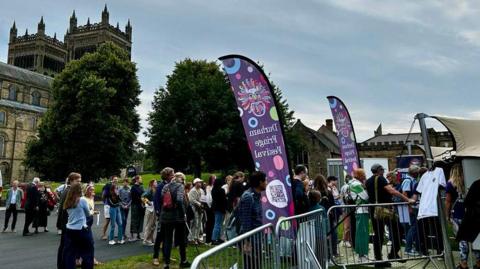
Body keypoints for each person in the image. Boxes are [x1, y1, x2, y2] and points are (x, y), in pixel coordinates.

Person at [366, 164, 413, 267]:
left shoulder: (368, 180)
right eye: (382, 169)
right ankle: (392, 254)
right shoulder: (381, 178)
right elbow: (391, 191)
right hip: (383, 210)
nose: (383, 171)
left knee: (378, 234)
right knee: (398, 229)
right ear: (379, 170)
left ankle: (378, 260)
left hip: (374, 210)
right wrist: (407, 199)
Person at [446, 164, 480, 269]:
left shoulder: (451, 183)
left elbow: (448, 201)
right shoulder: (470, 180)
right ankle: (479, 261)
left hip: (457, 214)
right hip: (471, 214)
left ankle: (463, 263)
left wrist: (447, 215)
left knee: (462, 240)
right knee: (475, 239)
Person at [160, 169, 191, 268]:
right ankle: (183, 261)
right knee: (182, 239)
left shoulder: (165, 186)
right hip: (177, 217)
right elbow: (180, 200)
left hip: (166, 216)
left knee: (167, 240)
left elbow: (163, 199)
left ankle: (166, 263)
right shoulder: (180, 186)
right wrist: (183, 214)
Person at [238, 171, 267, 269]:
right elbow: (245, 221)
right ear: (260, 182)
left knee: (257, 264)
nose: (266, 182)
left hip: (257, 237)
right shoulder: (248, 197)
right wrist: (247, 242)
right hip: (251, 239)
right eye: (265, 180)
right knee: (251, 265)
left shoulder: (257, 196)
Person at [62, 181, 94, 269]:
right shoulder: (82, 200)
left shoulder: (68, 201)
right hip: (81, 229)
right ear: (80, 190)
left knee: (70, 254)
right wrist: (92, 212)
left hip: (70, 229)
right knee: (88, 252)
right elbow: (88, 214)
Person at [57, 172, 82, 269]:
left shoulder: (67, 190)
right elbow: (64, 210)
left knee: (64, 247)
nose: (79, 183)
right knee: (67, 248)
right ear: (71, 181)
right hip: (67, 224)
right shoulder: (68, 192)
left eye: (80, 181)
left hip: (65, 224)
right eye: (77, 181)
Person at [152, 167, 175, 266]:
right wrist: (158, 213)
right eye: (172, 174)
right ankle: (155, 257)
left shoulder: (172, 185)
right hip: (162, 215)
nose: (173, 175)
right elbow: (156, 200)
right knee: (159, 237)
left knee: (168, 237)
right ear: (167, 175)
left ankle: (166, 255)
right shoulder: (161, 186)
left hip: (170, 215)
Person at [457, 178, 480, 269]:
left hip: (474, 218)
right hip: (474, 218)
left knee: (466, 241)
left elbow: (467, 202)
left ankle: (464, 263)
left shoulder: (477, 184)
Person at [349, 168, 370, 263]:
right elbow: (365, 197)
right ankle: (361, 256)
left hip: (362, 210)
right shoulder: (356, 184)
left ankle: (362, 254)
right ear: (360, 175)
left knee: (362, 232)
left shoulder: (355, 183)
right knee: (362, 233)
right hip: (361, 210)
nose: (365, 176)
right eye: (364, 174)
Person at [402, 165, 421, 256]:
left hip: (413, 207)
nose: (418, 174)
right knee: (413, 228)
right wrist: (409, 207)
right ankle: (408, 249)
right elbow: (404, 194)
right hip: (410, 207)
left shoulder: (412, 180)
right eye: (417, 172)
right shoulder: (407, 181)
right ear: (414, 173)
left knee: (414, 228)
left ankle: (412, 247)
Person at [83, 184, 102, 266]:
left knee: (85, 243)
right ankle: (92, 260)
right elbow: (85, 212)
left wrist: (94, 212)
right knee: (90, 243)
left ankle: (79, 260)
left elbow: (91, 209)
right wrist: (93, 212)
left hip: (89, 222)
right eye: (91, 190)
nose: (93, 192)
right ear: (86, 190)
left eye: (93, 190)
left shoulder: (92, 198)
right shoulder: (83, 199)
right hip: (84, 223)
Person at [188, 178, 205, 244]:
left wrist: (203, 203)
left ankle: (197, 237)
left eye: (200, 182)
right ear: (195, 183)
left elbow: (203, 198)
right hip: (194, 208)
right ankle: (191, 238)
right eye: (198, 182)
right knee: (195, 223)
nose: (200, 183)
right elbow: (192, 200)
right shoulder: (192, 191)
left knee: (199, 223)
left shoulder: (201, 190)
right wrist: (199, 204)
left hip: (201, 209)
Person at [211, 177, 227, 245]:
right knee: (218, 224)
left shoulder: (213, 190)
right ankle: (214, 239)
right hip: (220, 208)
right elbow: (223, 200)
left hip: (215, 207)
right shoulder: (221, 190)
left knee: (217, 223)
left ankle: (217, 238)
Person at [101, 176, 118, 240]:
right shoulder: (108, 186)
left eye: (116, 179)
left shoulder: (116, 187)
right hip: (108, 205)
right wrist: (105, 202)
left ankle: (112, 234)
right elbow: (103, 195)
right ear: (112, 180)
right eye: (114, 179)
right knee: (107, 220)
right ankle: (103, 234)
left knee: (114, 221)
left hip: (114, 206)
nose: (116, 180)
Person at [142, 179, 157, 246]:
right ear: (152, 184)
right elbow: (143, 197)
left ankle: (151, 238)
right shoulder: (149, 190)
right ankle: (146, 240)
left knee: (153, 225)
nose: (156, 183)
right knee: (149, 225)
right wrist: (148, 202)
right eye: (155, 182)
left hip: (154, 209)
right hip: (150, 209)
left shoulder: (154, 190)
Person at [130, 175, 145, 240]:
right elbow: (133, 197)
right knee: (134, 220)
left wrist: (144, 202)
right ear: (137, 180)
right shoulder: (133, 187)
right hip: (135, 205)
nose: (141, 180)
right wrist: (140, 199)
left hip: (141, 205)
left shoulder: (141, 187)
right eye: (140, 179)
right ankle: (132, 235)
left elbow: (144, 195)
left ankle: (138, 234)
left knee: (140, 220)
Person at [204, 174, 215, 244]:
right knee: (209, 223)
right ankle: (208, 239)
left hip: (213, 206)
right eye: (213, 179)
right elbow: (208, 197)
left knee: (213, 223)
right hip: (209, 207)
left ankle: (212, 237)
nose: (214, 180)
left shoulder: (214, 187)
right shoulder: (208, 187)